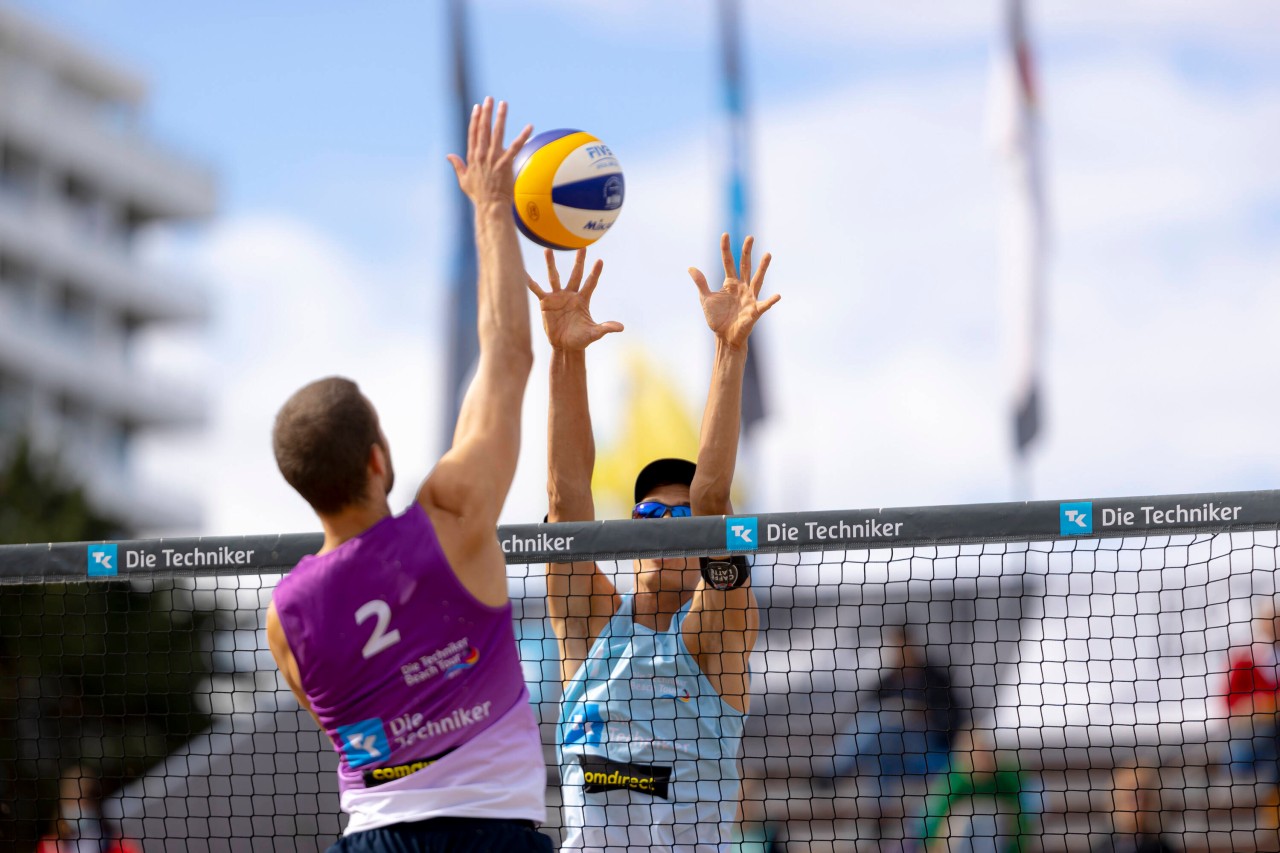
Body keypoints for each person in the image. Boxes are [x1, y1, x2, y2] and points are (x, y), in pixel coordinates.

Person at [264, 98, 552, 852]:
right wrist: (493, 205)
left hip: (378, 837)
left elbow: (357, 725)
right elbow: (509, 357)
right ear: (376, 459)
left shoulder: (284, 618)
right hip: (494, 834)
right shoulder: (451, 517)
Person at [529, 233, 780, 851]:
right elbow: (566, 502)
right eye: (650, 510)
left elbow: (716, 503)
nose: (668, 521)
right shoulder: (589, 629)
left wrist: (729, 351)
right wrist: (566, 357)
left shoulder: (713, 635)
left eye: (681, 514)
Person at [833, 625, 964, 817]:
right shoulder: (887, 681)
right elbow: (864, 711)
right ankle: (880, 821)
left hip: (927, 747)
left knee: (882, 724)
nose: (900, 652)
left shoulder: (935, 678)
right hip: (896, 752)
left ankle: (835, 768)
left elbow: (953, 718)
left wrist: (923, 714)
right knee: (881, 740)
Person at [1223, 594, 1280, 784]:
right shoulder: (1244, 660)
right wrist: (1260, 707)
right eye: (1271, 620)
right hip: (1253, 737)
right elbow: (1230, 705)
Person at [37, 765, 141, 853]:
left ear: (97, 802)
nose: (79, 806)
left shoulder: (122, 846)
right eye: (72, 800)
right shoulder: (48, 848)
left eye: (85, 800)